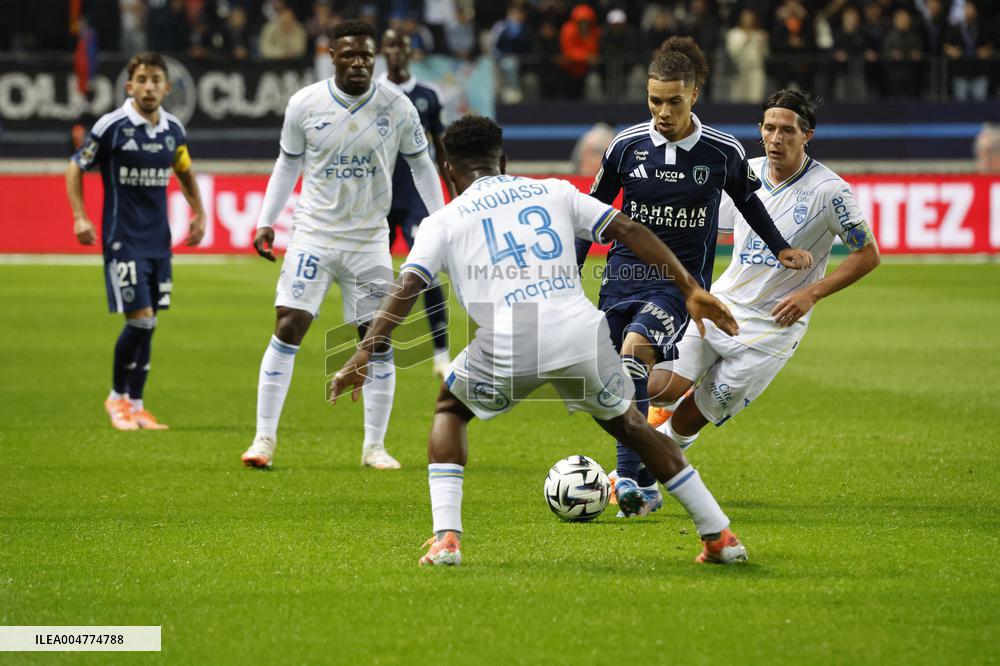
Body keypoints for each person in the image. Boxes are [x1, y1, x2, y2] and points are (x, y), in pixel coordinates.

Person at [330, 115, 749, 567]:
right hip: (580, 332)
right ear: (504, 160)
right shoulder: (554, 190)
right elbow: (628, 230)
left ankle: (447, 539)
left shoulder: (443, 221)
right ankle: (719, 535)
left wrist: (363, 352)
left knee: (451, 409)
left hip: (510, 337)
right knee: (631, 425)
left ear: (448, 171)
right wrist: (689, 288)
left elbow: (407, 286)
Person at [575, 38, 813, 518]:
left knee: (634, 355)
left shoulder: (722, 151)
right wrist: (568, 272)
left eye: (673, 101)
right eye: (654, 100)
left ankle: (625, 482)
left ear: (694, 95)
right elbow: (590, 213)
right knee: (621, 382)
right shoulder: (625, 146)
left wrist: (780, 246)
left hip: (677, 286)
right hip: (620, 277)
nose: (663, 111)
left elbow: (749, 202)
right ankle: (647, 476)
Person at [240, 21, 445, 470]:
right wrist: (265, 221)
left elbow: (422, 166)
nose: (359, 63)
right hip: (313, 235)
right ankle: (263, 440)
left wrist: (441, 219)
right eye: (349, 55)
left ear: (375, 58)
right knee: (288, 326)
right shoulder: (305, 104)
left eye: (366, 56)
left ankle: (374, 446)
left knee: (378, 339)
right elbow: (286, 163)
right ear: (331, 55)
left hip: (369, 241)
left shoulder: (397, 105)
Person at [646, 90, 880, 448]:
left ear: (807, 135)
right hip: (722, 306)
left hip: (773, 329)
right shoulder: (745, 171)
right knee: (659, 391)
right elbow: (704, 224)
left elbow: (867, 254)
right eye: (769, 128)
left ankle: (641, 470)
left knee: (691, 417)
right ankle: (647, 450)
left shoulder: (830, 191)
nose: (776, 138)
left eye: (787, 130)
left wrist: (810, 294)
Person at [66, 51, 206, 431]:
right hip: (122, 240)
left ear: (167, 86)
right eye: (142, 80)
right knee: (140, 322)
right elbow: (76, 166)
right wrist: (80, 216)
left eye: (155, 80)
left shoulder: (174, 129)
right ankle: (116, 397)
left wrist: (199, 212)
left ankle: (138, 404)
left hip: (158, 242)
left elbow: (185, 170)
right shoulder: (112, 126)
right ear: (130, 86)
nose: (148, 87)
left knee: (152, 323)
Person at [378, 28, 454, 377]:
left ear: (411, 53)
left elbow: (439, 148)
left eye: (402, 46)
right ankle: (378, 348)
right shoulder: (371, 93)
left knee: (428, 273)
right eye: (391, 45)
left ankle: (441, 352)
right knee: (374, 276)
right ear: (383, 51)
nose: (396, 52)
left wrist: (451, 194)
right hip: (378, 198)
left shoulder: (428, 95)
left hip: (415, 197)